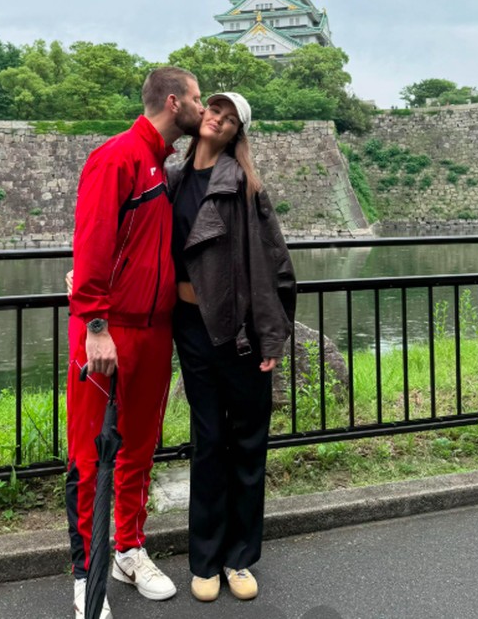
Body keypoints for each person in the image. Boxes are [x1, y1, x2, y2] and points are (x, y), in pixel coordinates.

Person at [66, 65, 204, 618]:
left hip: (154, 330)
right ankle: (86, 575)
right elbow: (92, 242)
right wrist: (95, 325)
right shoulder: (118, 156)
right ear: (174, 102)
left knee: (139, 449)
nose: (201, 106)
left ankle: (127, 547)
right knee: (90, 454)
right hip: (108, 331)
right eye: (196, 97)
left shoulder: (163, 167)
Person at [168, 92, 296, 602]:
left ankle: (239, 558)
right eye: (212, 109)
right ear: (201, 115)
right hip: (191, 329)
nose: (216, 117)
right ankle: (204, 559)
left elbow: (272, 266)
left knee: (246, 444)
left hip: (240, 334)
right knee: (207, 442)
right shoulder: (173, 181)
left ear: (236, 132)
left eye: (227, 117)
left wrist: (271, 334)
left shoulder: (242, 184)